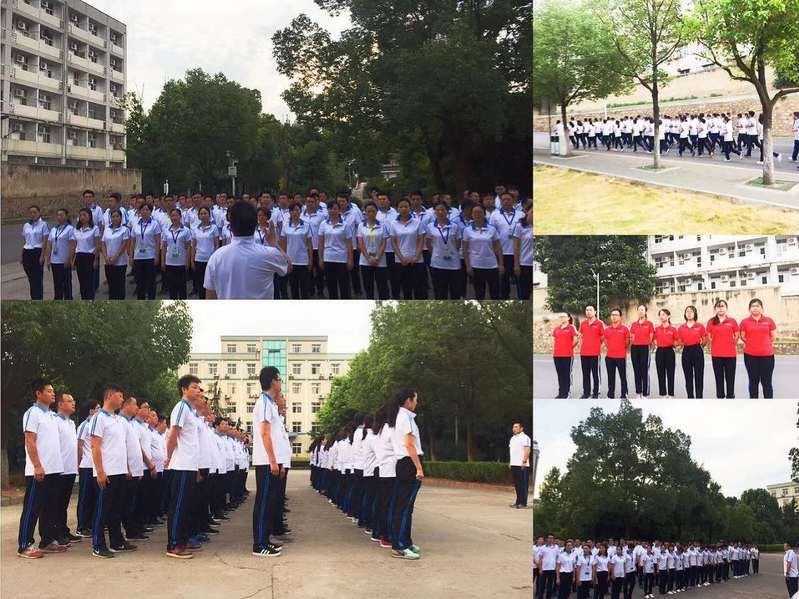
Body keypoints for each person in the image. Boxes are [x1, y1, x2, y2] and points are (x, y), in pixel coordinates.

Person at [204, 201, 289, 299]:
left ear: (231, 226)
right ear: (255, 223)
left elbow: (210, 297)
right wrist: (274, 243)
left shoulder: (216, 257)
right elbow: (288, 266)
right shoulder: (269, 254)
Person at [17, 379, 63, 559]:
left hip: (54, 469)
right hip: (38, 470)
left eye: (53, 391)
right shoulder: (32, 413)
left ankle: (47, 540)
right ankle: (25, 544)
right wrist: (37, 465)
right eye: (49, 391)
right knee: (32, 508)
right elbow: (30, 440)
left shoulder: (52, 415)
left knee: (50, 507)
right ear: (38, 393)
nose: (53, 393)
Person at [90, 384, 133, 558]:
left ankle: (117, 541)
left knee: (116, 509)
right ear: (109, 396)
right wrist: (100, 471)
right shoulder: (99, 418)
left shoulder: (118, 420)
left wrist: (126, 467)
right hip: (107, 472)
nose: (122, 400)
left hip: (119, 470)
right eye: (120, 396)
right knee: (102, 510)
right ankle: (98, 544)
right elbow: (95, 445)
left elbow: (120, 446)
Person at [164, 374, 203, 559]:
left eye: (198, 387)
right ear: (184, 389)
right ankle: (173, 544)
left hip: (190, 466)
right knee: (178, 506)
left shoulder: (191, 411)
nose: (197, 390)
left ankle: (183, 539)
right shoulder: (180, 408)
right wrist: (168, 456)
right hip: (181, 465)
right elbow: (173, 434)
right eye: (194, 387)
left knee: (186, 505)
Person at [251, 367, 284, 557]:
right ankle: (259, 544)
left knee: (269, 502)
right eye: (279, 379)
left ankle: (265, 539)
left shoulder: (270, 404)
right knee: (263, 502)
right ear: (272, 381)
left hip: (271, 461)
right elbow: (265, 433)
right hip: (265, 461)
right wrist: (272, 460)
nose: (281, 382)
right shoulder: (263, 402)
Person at [53, 392, 80, 546]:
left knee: (64, 503)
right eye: (69, 401)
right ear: (60, 404)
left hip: (70, 469)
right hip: (59, 469)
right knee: (56, 503)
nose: (73, 403)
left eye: (73, 400)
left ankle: (63, 530)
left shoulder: (71, 423)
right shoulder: (55, 421)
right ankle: (56, 533)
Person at [462, 204, 503, 300]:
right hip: (476, 266)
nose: (477, 214)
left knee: (495, 294)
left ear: (484, 214)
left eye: (480, 212)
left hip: (492, 266)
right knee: (479, 294)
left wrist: (501, 264)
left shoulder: (492, 229)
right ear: (471, 215)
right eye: (475, 212)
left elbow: (498, 248)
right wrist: (468, 266)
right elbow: (465, 250)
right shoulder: (467, 230)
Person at [389, 198, 426, 300]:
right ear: (397, 209)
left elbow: (421, 240)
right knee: (406, 289)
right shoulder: (393, 223)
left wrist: (416, 257)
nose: (404, 209)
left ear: (410, 208)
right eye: (401, 207)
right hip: (401, 261)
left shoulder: (417, 222)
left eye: (406, 206)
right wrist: (401, 258)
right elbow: (393, 242)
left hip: (417, 260)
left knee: (419, 289)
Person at [739, 297, 777, 398]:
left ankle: (768, 403)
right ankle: (754, 403)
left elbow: (773, 336)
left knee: (767, 382)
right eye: (753, 306)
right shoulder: (744, 322)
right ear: (749, 309)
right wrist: (752, 343)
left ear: (762, 308)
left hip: (767, 356)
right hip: (750, 356)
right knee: (753, 381)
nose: (755, 308)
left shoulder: (769, 321)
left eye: (757, 306)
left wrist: (764, 344)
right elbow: (743, 336)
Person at [489, 191, 524, 299]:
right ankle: (504, 299)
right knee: (503, 280)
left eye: (508, 199)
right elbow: (491, 234)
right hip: (502, 253)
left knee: (520, 280)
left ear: (513, 201)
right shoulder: (494, 215)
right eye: (503, 199)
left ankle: (521, 299)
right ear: (500, 201)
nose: (506, 201)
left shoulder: (521, 214)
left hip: (518, 253)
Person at [426, 200, 462, 299]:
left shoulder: (454, 226)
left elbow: (458, 243)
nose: (440, 212)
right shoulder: (430, 226)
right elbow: (428, 243)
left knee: (455, 292)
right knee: (440, 293)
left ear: (447, 211)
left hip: (453, 263)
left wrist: (451, 252)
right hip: (437, 263)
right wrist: (436, 253)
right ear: (434, 212)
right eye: (437, 210)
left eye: (443, 210)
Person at [318, 202, 354, 299]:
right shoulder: (323, 224)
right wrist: (320, 258)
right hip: (328, 259)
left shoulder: (345, 225)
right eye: (330, 209)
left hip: (342, 259)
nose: (332, 211)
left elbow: (349, 244)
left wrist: (350, 260)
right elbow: (321, 243)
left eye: (334, 209)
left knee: (344, 287)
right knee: (331, 287)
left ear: (339, 210)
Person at [75, 401, 99, 538]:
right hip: (86, 465)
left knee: (94, 497)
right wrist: (78, 464)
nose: (99, 411)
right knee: (85, 497)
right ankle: (82, 526)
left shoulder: (97, 424)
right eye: (97, 408)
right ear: (91, 411)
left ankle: (91, 524)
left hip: (95, 466)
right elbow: (79, 445)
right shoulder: (85, 425)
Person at [280, 203, 314, 299]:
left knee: (304, 288)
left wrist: (310, 260)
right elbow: (283, 244)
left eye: (297, 210)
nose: (295, 212)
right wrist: (285, 260)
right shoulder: (285, 225)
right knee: (293, 288)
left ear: (300, 212)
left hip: (303, 261)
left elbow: (309, 244)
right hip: (290, 261)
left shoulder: (306, 225)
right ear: (290, 212)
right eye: (292, 210)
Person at [358, 201, 391, 300]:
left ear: (376, 212)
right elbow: (361, 243)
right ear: (365, 212)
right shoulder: (361, 225)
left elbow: (383, 243)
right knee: (368, 287)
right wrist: (368, 258)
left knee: (383, 288)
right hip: (365, 261)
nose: (371, 213)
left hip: (380, 261)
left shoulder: (382, 225)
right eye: (368, 211)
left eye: (373, 211)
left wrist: (376, 258)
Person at [706, 299, 738, 398]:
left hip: (730, 355)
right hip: (716, 355)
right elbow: (709, 336)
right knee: (719, 378)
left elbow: (736, 335)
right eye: (718, 307)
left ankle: (730, 396)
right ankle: (720, 396)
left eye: (722, 306)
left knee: (730, 378)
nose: (720, 308)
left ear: (726, 308)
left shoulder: (732, 321)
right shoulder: (711, 321)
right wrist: (716, 344)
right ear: (715, 309)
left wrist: (730, 344)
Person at [129, 203, 161, 300]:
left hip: (150, 256)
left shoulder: (155, 224)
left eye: (147, 210)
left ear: (150, 212)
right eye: (142, 209)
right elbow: (132, 241)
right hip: (138, 257)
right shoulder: (136, 224)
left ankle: (151, 299)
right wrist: (131, 256)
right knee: (139, 282)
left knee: (151, 282)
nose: (145, 211)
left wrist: (157, 256)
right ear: (140, 211)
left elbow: (157, 241)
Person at [44, 208, 76, 300]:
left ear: (66, 216)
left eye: (61, 215)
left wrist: (69, 259)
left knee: (66, 284)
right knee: (57, 283)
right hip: (55, 261)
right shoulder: (54, 229)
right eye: (58, 215)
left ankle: (68, 299)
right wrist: (48, 259)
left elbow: (72, 245)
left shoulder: (70, 229)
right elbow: (49, 245)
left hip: (64, 261)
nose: (59, 217)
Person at [160, 208, 192, 300]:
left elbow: (188, 247)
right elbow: (164, 246)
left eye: (176, 215)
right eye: (172, 216)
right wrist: (163, 261)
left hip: (181, 262)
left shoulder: (186, 230)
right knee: (172, 288)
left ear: (180, 217)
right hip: (169, 262)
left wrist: (187, 261)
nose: (174, 218)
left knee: (182, 287)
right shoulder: (166, 230)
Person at [676, 306, 706, 398]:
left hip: (697, 351)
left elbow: (704, 339)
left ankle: (699, 397)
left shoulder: (700, 326)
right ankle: (690, 397)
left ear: (695, 313)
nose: (689, 313)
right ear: (685, 314)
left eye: (691, 311)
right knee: (688, 377)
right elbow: (679, 341)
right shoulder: (681, 327)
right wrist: (682, 345)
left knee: (699, 376)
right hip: (686, 352)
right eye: (687, 311)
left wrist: (701, 345)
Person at [190, 206, 219, 300]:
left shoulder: (214, 227)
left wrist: (216, 259)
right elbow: (194, 245)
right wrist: (192, 259)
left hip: (210, 260)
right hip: (199, 259)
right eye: (201, 214)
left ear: (209, 215)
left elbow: (216, 244)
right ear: (198, 216)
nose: (203, 215)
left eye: (205, 213)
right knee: (201, 283)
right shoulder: (195, 228)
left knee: (210, 284)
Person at [100, 209, 130, 300]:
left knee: (119, 285)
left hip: (120, 262)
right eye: (113, 216)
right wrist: (105, 257)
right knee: (111, 285)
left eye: (117, 216)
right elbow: (103, 243)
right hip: (108, 261)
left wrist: (116, 257)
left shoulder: (125, 230)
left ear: (121, 218)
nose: (115, 218)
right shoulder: (107, 229)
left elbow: (124, 244)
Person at [21, 205, 49, 300]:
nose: (33, 214)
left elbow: (45, 241)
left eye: (35, 212)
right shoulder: (26, 225)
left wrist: (42, 255)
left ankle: (38, 298)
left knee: (37, 278)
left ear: (39, 213)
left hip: (37, 252)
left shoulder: (44, 224)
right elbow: (25, 241)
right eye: (31, 212)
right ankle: (33, 297)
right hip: (27, 252)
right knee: (31, 278)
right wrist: (22, 255)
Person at [73, 208, 101, 300]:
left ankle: (90, 299)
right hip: (79, 257)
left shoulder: (94, 229)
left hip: (89, 257)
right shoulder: (77, 230)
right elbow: (75, 245)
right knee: (82, 282)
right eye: (80, 215)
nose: (82, 217)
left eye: (84, 215)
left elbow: (97, 245)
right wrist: (73, 260)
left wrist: (96, 260)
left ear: (90, 216)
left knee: (89, 282)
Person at [629, 305, 654, 398]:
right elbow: (632, 337)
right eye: (639, 310)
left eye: (642, 310)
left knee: (644, 370)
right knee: (637, 371)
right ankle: (638, 392)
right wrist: (635, 343)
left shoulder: (649, 324)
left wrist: (645, 342)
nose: (640, 311)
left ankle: (645, 394)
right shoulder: (634, 324)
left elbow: (651, 337)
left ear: (645, 312)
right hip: (635, 348)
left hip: (645, 348)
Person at [579, 306, 604, 399]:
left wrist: (597, 343)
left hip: (595, 353)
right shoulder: (583, 323)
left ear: (595, 312)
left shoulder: (599, 323)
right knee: (585, 374)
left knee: (595, 374)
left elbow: (603, 336)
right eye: (587, 310)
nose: (588, 312)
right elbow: (580, 335)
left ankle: (596, 393)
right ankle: (586, 392)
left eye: (590, 310)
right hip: (584, 353)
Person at [604, 309, 630, 399]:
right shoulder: (607, 330)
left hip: (621, 357)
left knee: (623, 377)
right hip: (609, 357)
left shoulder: (624, 329)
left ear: (620, 317)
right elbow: (606, 342)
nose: (614, 317)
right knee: (610, 377)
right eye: (612, 315)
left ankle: (624, 394)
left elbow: (627, 342)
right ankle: (610, 394)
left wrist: (620, 349)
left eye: (616, 315)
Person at [553, 313, 578, 398]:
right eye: (560, 317)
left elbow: (575, 340)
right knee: (560, 374)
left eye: (563, 316)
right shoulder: (556, 329)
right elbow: (555, 340)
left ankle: (567, 392)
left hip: (567, 355)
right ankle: (561, 392)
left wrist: (569, 348)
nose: (562, 318)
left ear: (568, 318)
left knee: (567, 374)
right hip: (557, 355)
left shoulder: (571, 327)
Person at [653, 309, 677, 398]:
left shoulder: (673, 329)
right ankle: (662, 394)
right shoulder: (657, 329)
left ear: (668, 316)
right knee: (660, 373)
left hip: (669, 351)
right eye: (660, 315)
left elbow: (676, 341)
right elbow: (654, 339)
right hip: (660, 351)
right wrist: (659, 344)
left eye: (663, 314)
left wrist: (671, 344)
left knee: (670, 373)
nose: (661, 316)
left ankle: (670, 394)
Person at [512, 201, 534, 300]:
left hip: (537, 265)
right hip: (524, 264)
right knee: (524, 294)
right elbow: (516, 246)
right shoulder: (519, 226)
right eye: (532, 212)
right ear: (527, 211)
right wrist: (516, 265)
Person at [509, 423, 531, 508]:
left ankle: (523, 503)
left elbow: (527, 450)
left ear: (521, 429)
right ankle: (518, 501)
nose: (514, 428)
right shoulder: (512, 438)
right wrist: (510, 462)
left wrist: (524, 461)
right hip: (514, 464)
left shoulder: (525, 438)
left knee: (523, 485)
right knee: (517, 484)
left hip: (522, 464)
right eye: (513, 427)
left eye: (516, 427)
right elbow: (512, 451)